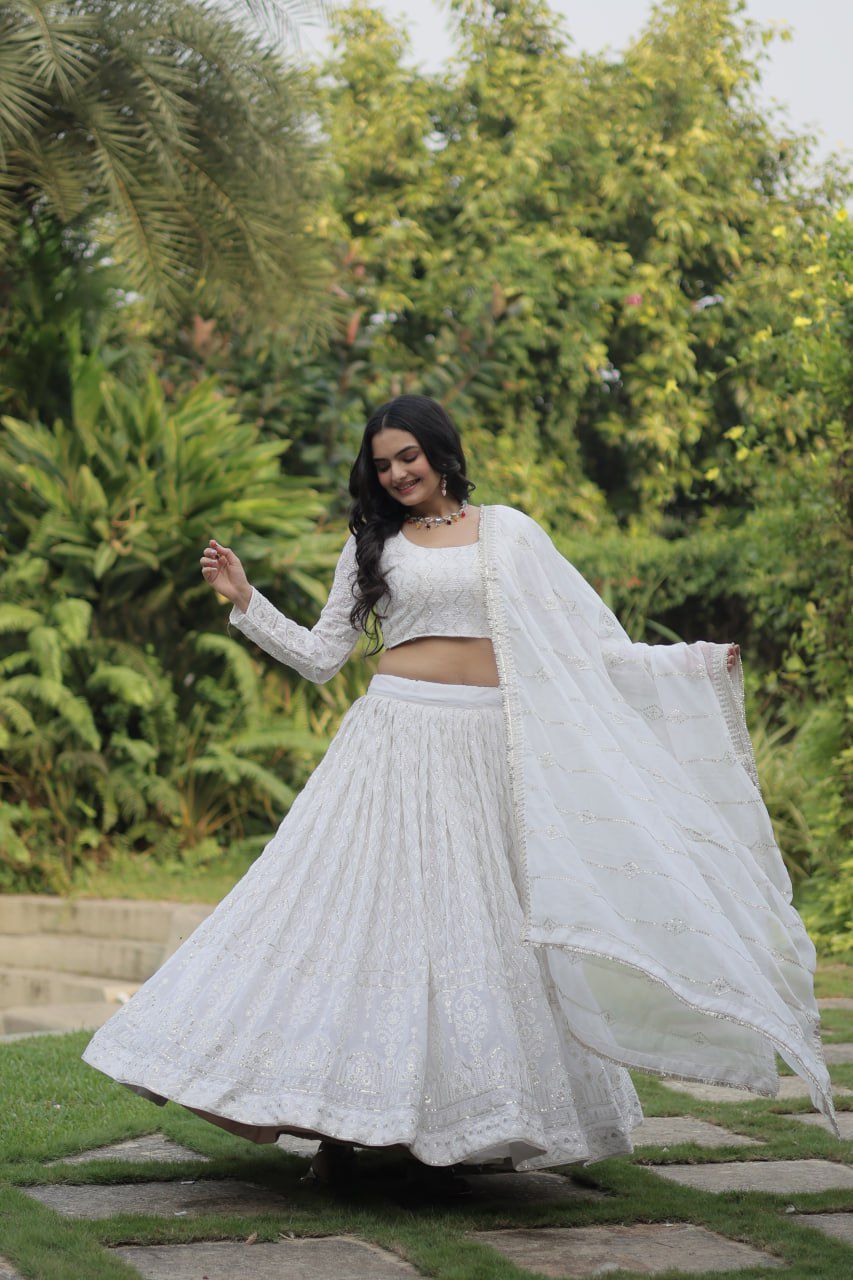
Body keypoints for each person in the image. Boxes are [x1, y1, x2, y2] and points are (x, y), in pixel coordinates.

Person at [81, 394, 833, 1198]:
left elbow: (584, 644)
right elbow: (320, 656)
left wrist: (687, 665)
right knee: (367, 928)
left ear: (440, 452)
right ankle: (340, 1126)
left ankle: (456, 1128)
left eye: (408, 456)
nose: (397, 473)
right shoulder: (372, 544)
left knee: (477, 934)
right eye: (382, 464)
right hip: (393, 744)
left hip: (484, 751)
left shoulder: (510, 531)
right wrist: (245, 600)